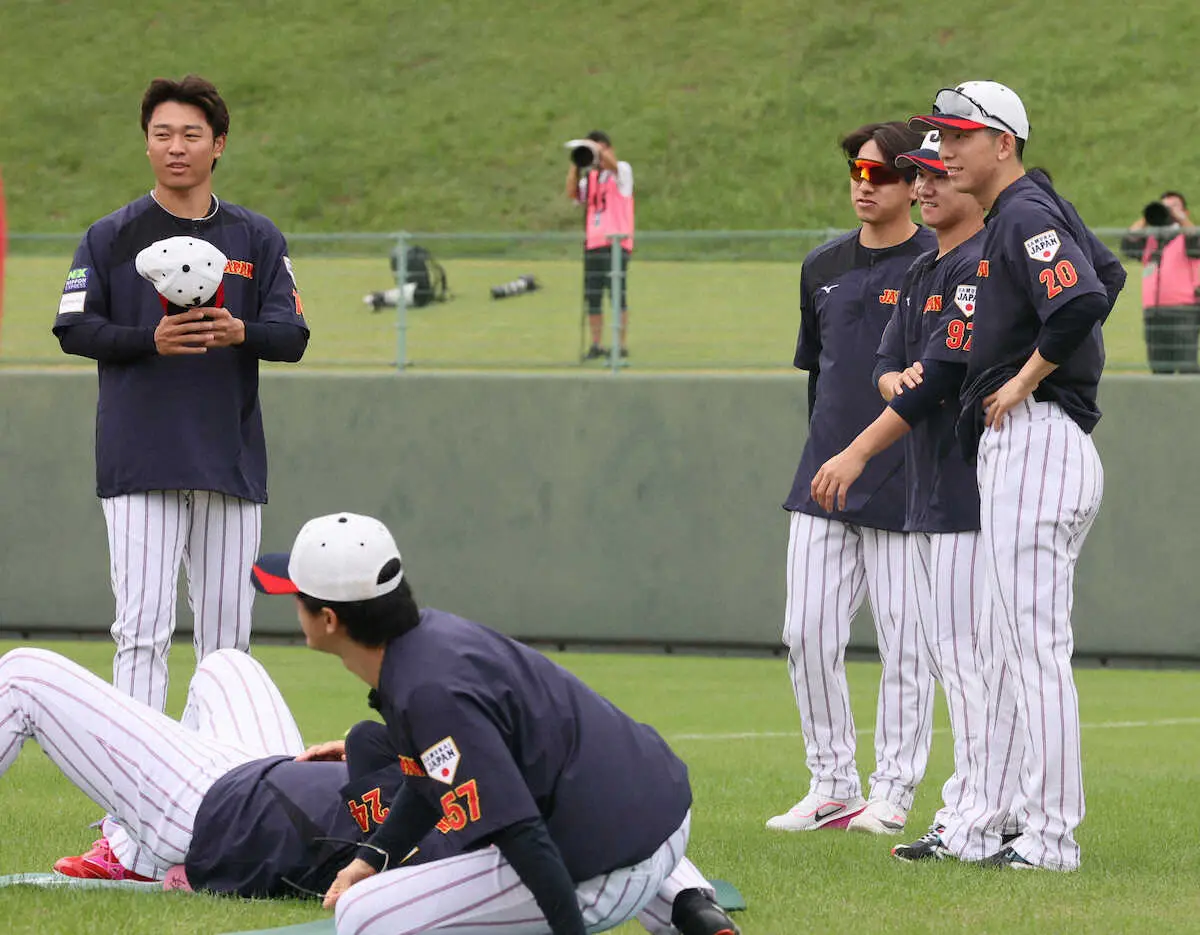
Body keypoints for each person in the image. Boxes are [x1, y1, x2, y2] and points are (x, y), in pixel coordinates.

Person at [0, 645, 735, 935]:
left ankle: (137, 847)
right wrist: (690, 905)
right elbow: (625, 826)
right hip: (271, 772)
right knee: (225, 664)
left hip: (210, 810)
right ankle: (127, 843)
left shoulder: (481, 842)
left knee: (25, 674)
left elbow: (592, 834)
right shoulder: (485, 773)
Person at [250, 512, 738, 935]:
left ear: (329, 619)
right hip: (662, 812)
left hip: (615, 868)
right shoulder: (427, 641)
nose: (293, 605)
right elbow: (427, 781)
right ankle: (687, 907)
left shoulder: (427, 692)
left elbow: (522, 836)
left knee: (362, 914)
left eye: (296, 596)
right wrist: (371, 857)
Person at [909, 81, 1126, 870]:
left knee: (1032, 651)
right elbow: (1105, 271)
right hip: (1036, 443)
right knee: (1013, 648)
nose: (945, 149)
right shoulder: (1029, 209)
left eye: (961, 135)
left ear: (1004, 143)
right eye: (941, 135)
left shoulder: (1025, 211)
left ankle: (1053, 838)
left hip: (1038, 437)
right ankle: (1011, 820)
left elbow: (1084, 297)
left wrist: (1028, 376)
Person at [52, 73, 308, 715]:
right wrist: (149, 339)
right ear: (146, 144)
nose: (175, 146)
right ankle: (128, 809)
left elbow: (293, 333)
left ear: (218, 144)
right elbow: (72, 326)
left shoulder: (257, 237)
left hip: (229, 460)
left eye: (191, 134)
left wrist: (241, 329)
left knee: (228, 647)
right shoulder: (110, 235)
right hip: (141, 460)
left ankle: (220, 794)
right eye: (161, 133)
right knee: (141, 633)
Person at [807, 132, 1015, 862]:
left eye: (935, 177)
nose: (924, 188)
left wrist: (867, 439)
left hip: (968, 484)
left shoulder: (978, 263)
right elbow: (892, 365)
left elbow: (937, 374)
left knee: (973, 659)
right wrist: (907, 381)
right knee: (963, 657)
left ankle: (982, 815)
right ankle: (981, 811)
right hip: (932, 487)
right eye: (918, 176)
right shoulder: (928, 263)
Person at [767, 122, 938, 836]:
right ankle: (831, 783)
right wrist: (822, 453)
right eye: (855, 171)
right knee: (805, 631)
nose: (864, 185)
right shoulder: (821, 266)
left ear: (911, 183)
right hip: (823, 478)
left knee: (905, 642)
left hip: (905, 480)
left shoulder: (940, 259)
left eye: (880, 174)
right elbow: (821, 376)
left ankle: (892, 789)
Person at [565, 130, 634, 360]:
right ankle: (596, 344)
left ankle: (620, 345)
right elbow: (572, 195)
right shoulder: (590, 179)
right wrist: (577, 163)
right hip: (593, 242)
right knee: (593, 296)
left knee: (617, 295)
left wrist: (599, 151)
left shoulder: (622, 170)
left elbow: (613, 166)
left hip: (616, 241)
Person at [1120, 191, 1200, 373]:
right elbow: (1127, 243)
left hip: (1183, 312)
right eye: (1165, 206)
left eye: (1174, 206)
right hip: (1154, 313)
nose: (1169, 211)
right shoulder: (1151, 241)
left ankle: (1193, 401)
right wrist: (1149, 216)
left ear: (1185, 212)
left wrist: (1180, 219)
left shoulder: (1187, 238)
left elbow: (1196, 239)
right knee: (1159, 370)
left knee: (1187, 367)